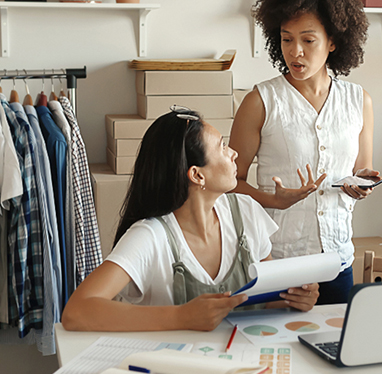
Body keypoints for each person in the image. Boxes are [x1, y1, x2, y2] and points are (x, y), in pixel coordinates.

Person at [61, 107, 319, 332]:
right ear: (197, 175)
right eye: (222, 146)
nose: (234, 154)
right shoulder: (150, 236)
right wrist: (181, 316)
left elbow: (267, 295)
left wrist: (294, 298)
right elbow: (76, 312)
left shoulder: (246, 210)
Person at [229, 0, 380, 305]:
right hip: (279, 260)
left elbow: (362, 169)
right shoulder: (261, 101)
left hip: (337, 259)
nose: (294, 52)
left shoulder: (359, 101)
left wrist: (362, 183)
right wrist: (272, 200)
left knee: (334, 347)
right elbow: (228, 183)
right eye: (286, 39)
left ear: (333, 42)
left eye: (308, 40)